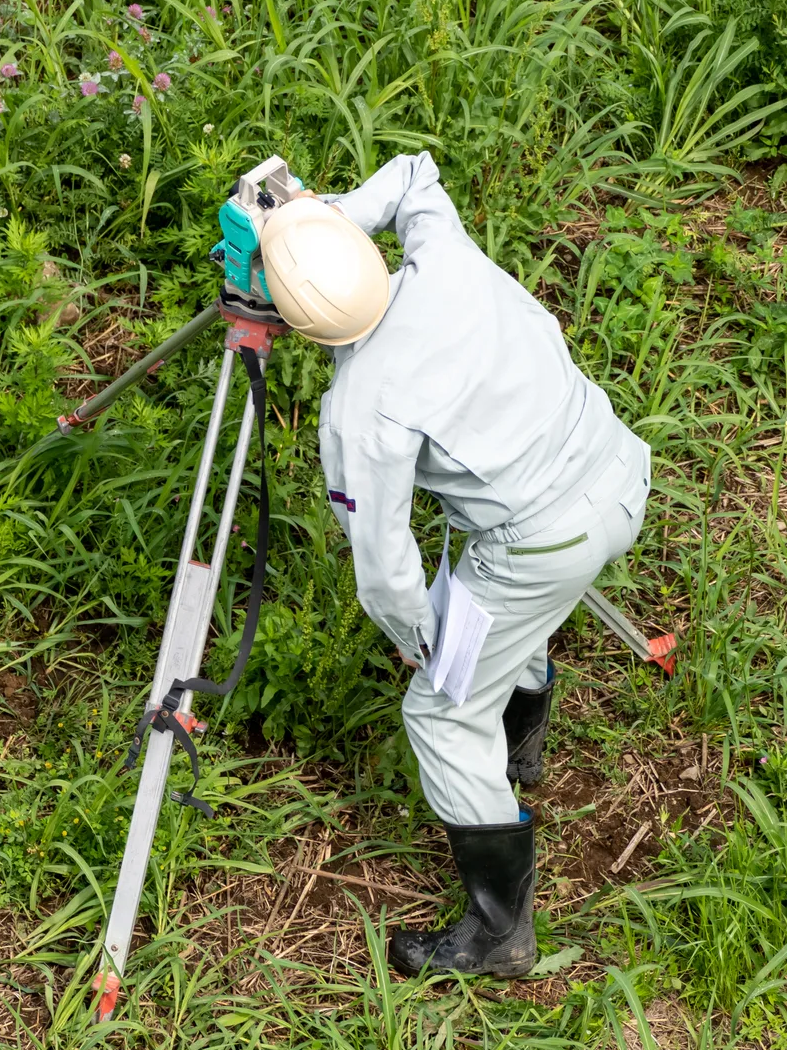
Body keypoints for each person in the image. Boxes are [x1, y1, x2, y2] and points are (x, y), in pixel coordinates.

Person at [256, 152, 652, 978]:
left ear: (295, 323)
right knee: (496, 599)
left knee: (439, 708)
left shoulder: (358, 409)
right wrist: (334, 217)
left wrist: (421, 641)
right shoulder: (442, 259)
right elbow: (413, 174)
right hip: (615, 467)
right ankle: (518, 744)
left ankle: (500, 931)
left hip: (545, 539)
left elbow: (387, 568)